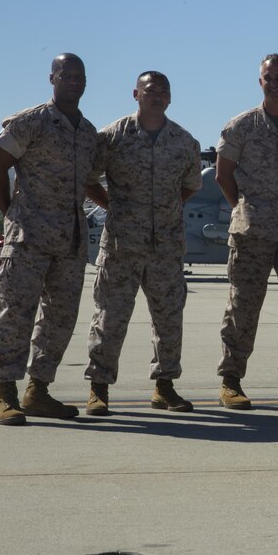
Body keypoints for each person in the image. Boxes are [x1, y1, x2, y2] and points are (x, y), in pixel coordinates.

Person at [0, 54, 99, 425]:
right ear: (52, 78)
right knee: (16, 314)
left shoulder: (87, 132)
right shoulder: (31, 121)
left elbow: (91, 182)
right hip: (30, 237)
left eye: (79, 76)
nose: (73, 81)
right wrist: (11, 214)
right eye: (66, 75)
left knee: (60, 319)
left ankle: (39, 390)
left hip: (70, 241)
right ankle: (5, 393)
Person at [82, 71, 202, 415]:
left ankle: (165, 386)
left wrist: (163, 208)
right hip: (122, 245)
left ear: (170, 98)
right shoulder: (113, 137)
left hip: (166, 246)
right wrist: (114, 206)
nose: (157, 97)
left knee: (168, 319)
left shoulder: (183, 141)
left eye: (164, 92)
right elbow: (89, 179)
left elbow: (190, 185)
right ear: (136, 94)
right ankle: (99, 388)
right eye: (150, 91)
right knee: (110, 316)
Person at [214, 54, 278, 409]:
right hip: (253, 232)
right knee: (243, 307)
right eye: (268, 77)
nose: (274, 82)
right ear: (261, 82)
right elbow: (223, 174)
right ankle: (231, 379)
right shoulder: (241, 125)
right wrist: (243, 208)